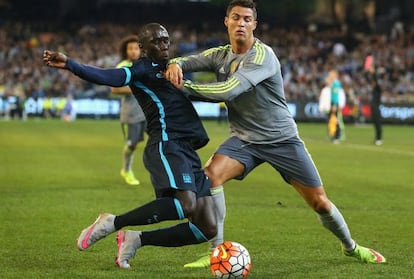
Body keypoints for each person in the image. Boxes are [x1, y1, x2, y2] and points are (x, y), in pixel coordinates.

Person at [165, 0, 386, 267]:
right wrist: (175, 64)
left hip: (281, 140)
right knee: (210, 178)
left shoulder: (262, 56)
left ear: (254, 25)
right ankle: (217, 252)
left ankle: (351, 247)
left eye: (247, 19)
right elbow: (189, 60)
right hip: (244, 140)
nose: (241, 23)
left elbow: (228, 90)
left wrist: (183, 86)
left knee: (320, 203)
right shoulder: (220, 55)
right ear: (227, 21)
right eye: (236, 17)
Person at [43, 23, 217, 269]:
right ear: (143, 48)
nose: (164, 44)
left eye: (166, 39)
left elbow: (199, 88)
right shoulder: (141, 69)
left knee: (207, 227)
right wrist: (71, 64)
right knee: (186, 204)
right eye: (157, 41)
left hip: (187, 149)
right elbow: (109, 77)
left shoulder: (173, 68)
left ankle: (136, 239)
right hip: (167, 144)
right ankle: (112, 222)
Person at [111, 35, 147, 185]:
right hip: (130, 114)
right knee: (132, 145)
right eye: (130, 48)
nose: (133, 51)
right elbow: (114, 89)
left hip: (146, 112)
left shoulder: (144, 65)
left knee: (161, 140)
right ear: (126, 51)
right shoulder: (122, 67)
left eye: (136, 48)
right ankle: (126, 170)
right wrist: (136, 89)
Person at [319, 70, 346, 143]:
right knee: (331, 122)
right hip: (331, 106)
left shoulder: (336, 84)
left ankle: (338, 135)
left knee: (337, 121)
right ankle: (333, 135)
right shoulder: (330, 87)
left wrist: (336, 105)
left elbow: (337, 96)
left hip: (335, 105)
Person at [365, 56, 383, 145]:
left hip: (376, 104)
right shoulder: (373, 83)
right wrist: (368, 72)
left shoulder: (377, 85)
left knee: (377, 121)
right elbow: (367, 78)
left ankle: (379, 138)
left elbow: (376, 83)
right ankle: (377, 138)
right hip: (373, 103)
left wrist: (373, 73)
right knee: (374, 121)